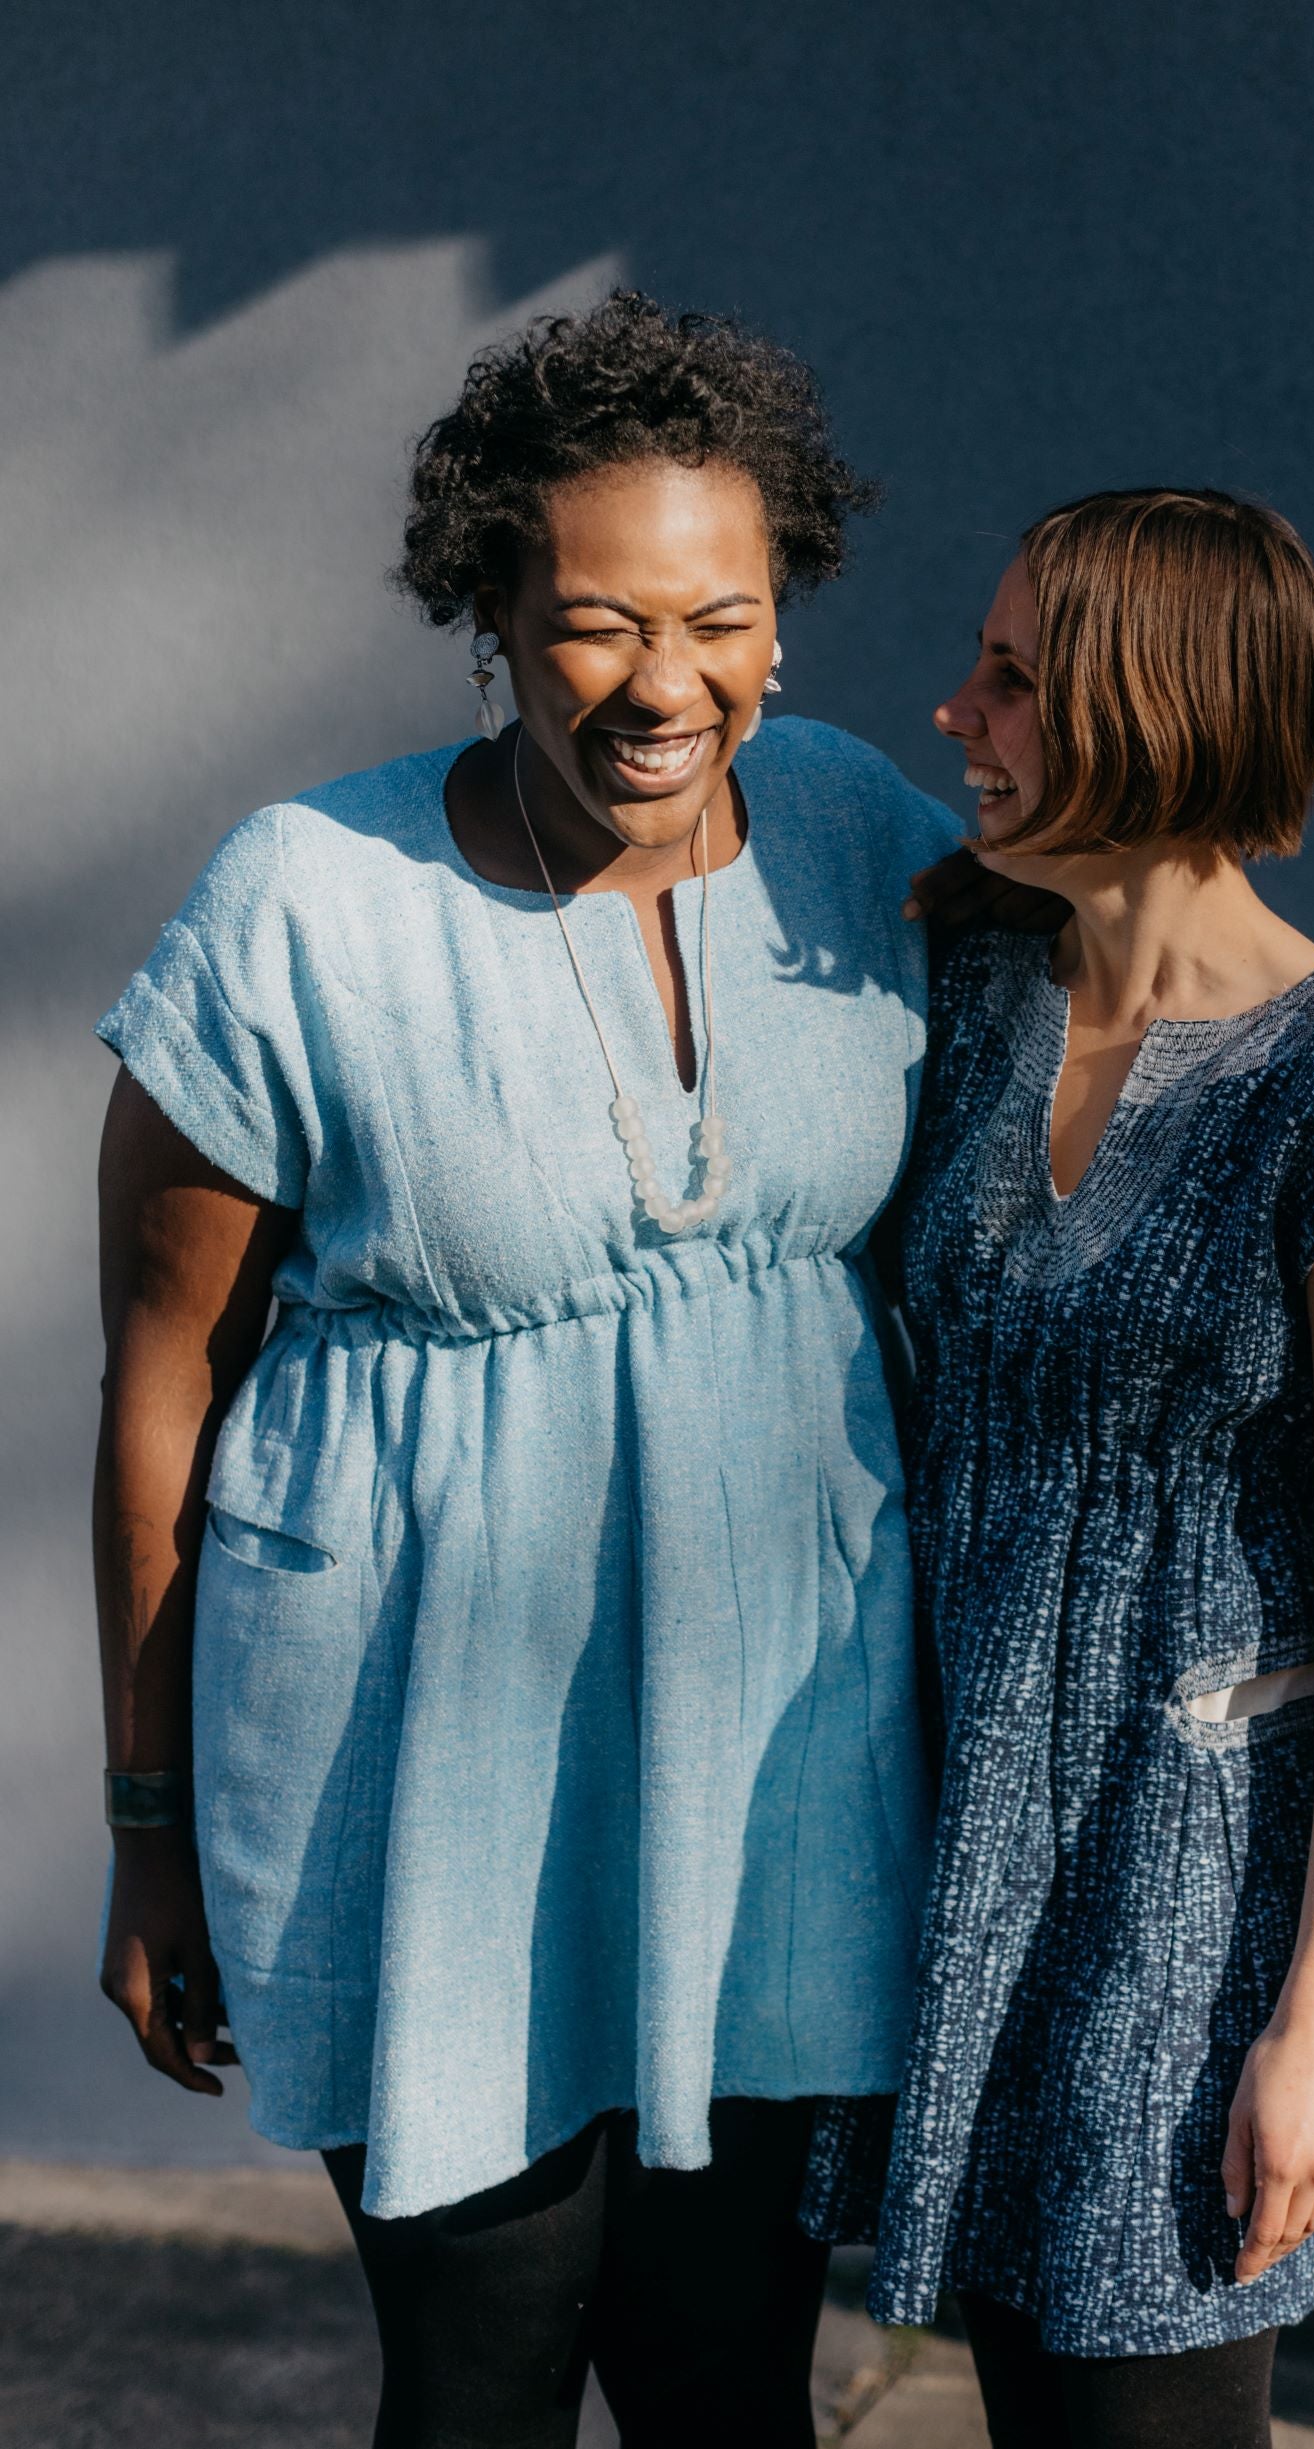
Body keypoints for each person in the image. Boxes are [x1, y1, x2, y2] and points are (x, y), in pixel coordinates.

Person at [92, 292, 963, 2449]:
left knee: (725, 2381)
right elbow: (157, 1392)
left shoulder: (858, 832)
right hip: (418, 1758)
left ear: (786, 617)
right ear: (485, 610)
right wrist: (147, 1831)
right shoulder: (308, 898)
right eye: (590, 622)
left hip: (772, 1758)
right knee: (480, 2374)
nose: (666, 685)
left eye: (722, 617)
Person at [824, 489, 1314, 2448]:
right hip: (957, 1845)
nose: (956, 712)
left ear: (1155, 707)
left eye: (1014, 678)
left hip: (1187, 1896)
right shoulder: (966, 1000)